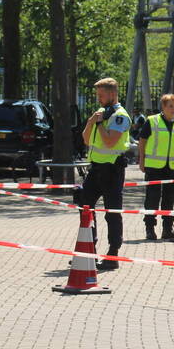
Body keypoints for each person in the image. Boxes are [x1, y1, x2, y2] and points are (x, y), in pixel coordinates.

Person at [76, 78, 132, 271]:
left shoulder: (120, 116)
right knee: (85, 207)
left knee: (112, 213)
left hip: (112, 170)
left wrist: (99, 124)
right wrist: (92, 121)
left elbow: (109, 142)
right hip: (96, 169)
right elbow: (85, 138)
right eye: (97, 95)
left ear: (112, 94)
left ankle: (113, 254)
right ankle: (88, 249)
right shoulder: (100, 114)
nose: (98, 99)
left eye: (101, 95)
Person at [138, 93, 174, 241]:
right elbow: (142, 140)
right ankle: (150, 228)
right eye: (170, 106)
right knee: (152, 198)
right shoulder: (152, 121)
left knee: (169, 198)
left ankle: (167, 229)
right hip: (154, 166)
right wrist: (142, 159)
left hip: (171, 166)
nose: (173, 109)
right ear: (163, 107)